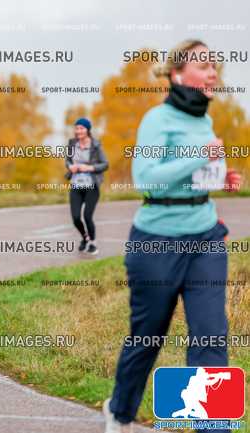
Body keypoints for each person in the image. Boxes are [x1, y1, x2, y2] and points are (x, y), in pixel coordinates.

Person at [103, 40, 242, 433]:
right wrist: (201, 157)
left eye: (215, 66)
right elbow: (147, 178)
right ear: (178, 74)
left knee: (211, 336)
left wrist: (219, 177)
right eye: (203, 65)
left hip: (205, 238)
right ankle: (119, 409)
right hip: (157, 242)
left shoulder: (204, 120)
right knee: (147, 338)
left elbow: (190, 174)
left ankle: (211, 427)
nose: (213, 73)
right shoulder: (157, 120)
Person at [65, 118, 109, 255]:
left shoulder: (95, 146)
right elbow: (68, 160)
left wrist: (89, 167)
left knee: (87, 216)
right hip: (76, 185)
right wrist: (70, 167)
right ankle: (85, 238)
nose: (78, 131)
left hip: (91, 186)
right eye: (77, 128)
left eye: (81, 128)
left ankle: (93, 243)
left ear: (87, 130)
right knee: (76, 218)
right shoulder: (72, 144)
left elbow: (105, 164)